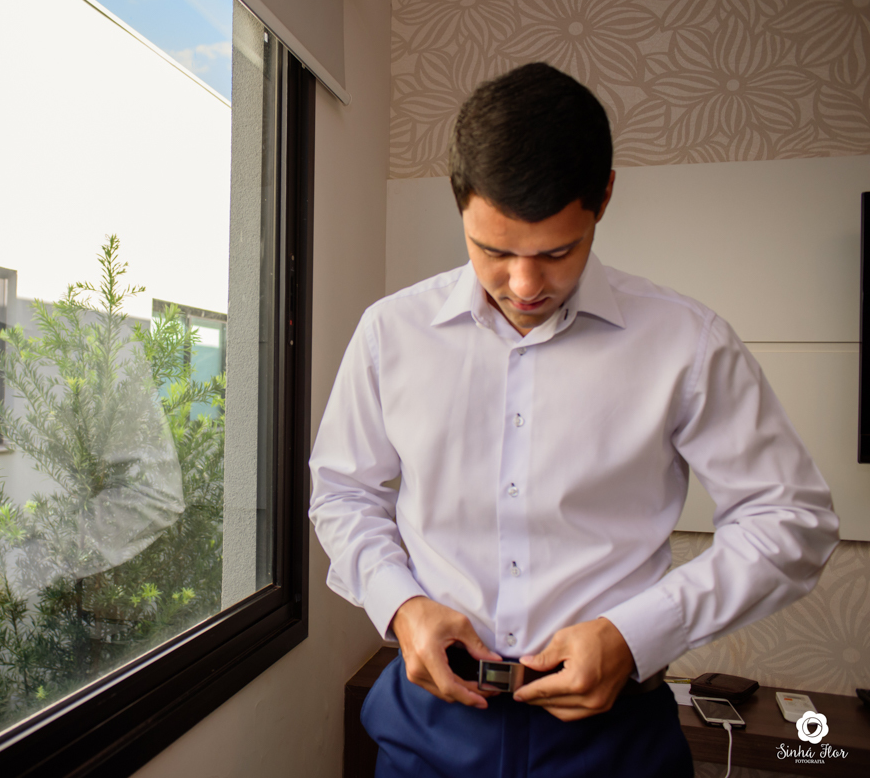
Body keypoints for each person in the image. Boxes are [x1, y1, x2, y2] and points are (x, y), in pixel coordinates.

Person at [308, 62, 840, 777]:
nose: (525, 285)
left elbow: (792, 520)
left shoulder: (688, 343)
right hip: (426, 731)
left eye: (557, 252)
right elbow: (344, 494)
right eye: (494, 251)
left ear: (604, 197)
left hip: (617, 743)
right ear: (459, 202)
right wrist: (400, 605)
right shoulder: (388, 333)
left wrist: (637, 632)